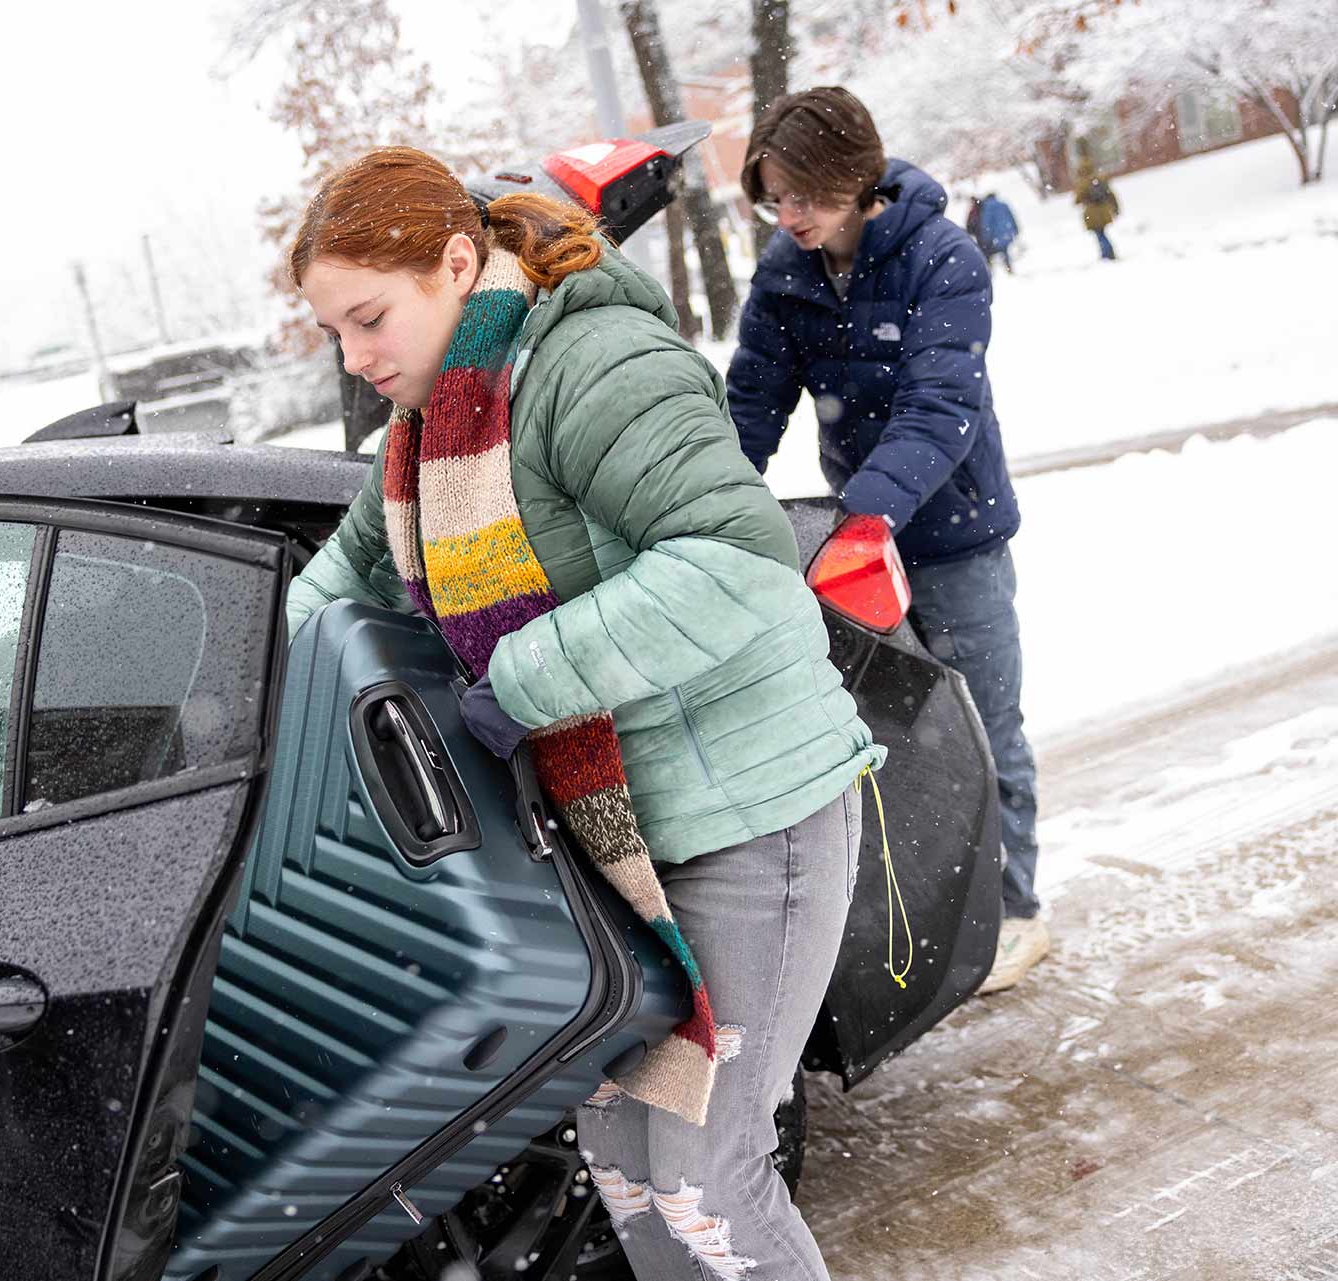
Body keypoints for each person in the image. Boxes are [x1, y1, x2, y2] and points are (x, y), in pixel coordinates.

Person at [286, 145, 885, 1281]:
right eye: (340, 335)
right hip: (620, 850)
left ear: (458, 264)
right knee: (625, 1163)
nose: (359, 359)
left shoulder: (590, 362)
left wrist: (518, 684)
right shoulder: (431, 428)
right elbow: (340, 582)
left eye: (370, 319)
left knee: (711, 1178)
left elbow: (738, 559)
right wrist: (229, 695)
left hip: (749, 816)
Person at [724, 87, 1048, 996]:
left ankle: (1018, 906)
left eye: (806, 198)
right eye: (774, 198)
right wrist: (705, 494)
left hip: (955, 537)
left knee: (987, 723)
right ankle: (931, 910)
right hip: (862, 537)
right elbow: (752, 398)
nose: (789, 218)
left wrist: (866, 518)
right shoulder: (787, 267)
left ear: (855, 180)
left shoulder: (941, 257)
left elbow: (938, 409)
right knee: (898, 740)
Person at [1074, 155, 1121, 260]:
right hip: (1104, 210)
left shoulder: (1083, 182)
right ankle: (1107, 253)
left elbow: (1077, 200)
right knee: (1102, 232)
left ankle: (1107, 254)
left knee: (1099, 234)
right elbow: (1110, 194)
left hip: (1091, 212)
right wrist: (1115, 208)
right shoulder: (1100, 178)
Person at [978, 190, 1020, 273]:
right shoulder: (1003, 204)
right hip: (1007, 232)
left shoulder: (987, 207)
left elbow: (986, 222)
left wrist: (985, 236)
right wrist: (1016, 229)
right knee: (1004, 249)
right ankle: (1008, 268)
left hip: (995, 234)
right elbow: (1012, 217)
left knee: (989, 253)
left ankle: (990, 271)